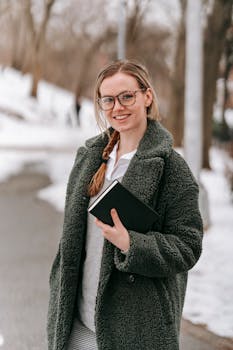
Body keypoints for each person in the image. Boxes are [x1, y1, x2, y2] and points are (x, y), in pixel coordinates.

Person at [47, 59, 203, 350]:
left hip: (137, 329)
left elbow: (188, 247)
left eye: (126, 96)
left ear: (147, 96)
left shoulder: (172, 169)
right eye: (108, 100)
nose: (117, 107)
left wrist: (132, 244)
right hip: (77, 324)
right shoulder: (89, 157)